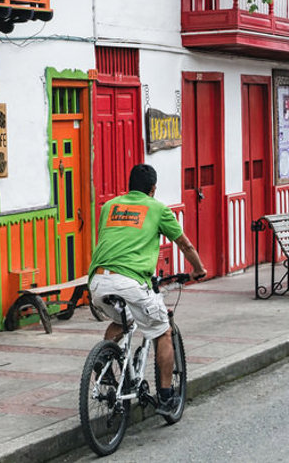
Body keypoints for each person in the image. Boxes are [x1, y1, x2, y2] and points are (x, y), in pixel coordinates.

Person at [88, 164, 207, 417]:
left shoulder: (110, 207)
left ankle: (103, 359)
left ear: (130, 185)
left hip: (98, 281)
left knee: (124, 320)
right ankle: (165, 397)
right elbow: (185, 245)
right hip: (130, 282)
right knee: (163, 332)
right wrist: (198, 269)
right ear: (153, 189)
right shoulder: (158, 208)